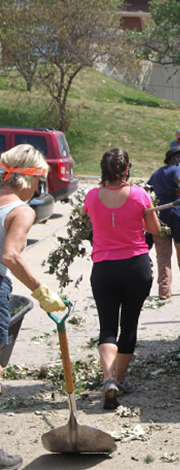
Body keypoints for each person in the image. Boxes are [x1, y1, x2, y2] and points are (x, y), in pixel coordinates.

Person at [0, 144, 66, 470]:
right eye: (40, 182)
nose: (38, 189)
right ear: (28, 178)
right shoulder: (21, 211)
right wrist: (40, 292)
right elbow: (10, 256)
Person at [83, 148, 161, 409]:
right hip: (135, 267)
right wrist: (146, 211)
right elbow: (155, 230)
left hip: (104, 268)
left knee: (107, 327)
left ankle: (108, 379)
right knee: (128, 325)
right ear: (127, 169)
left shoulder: (92, 197)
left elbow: (94, 220)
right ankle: (121, 378)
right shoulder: (140, 194)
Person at [147, 147, 180, 301]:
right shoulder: (176, 171)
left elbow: (148, 190)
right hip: (177, 214)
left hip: (160, 215)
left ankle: (164, 290)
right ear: (173, 159)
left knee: (163, 254)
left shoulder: (157, 173)